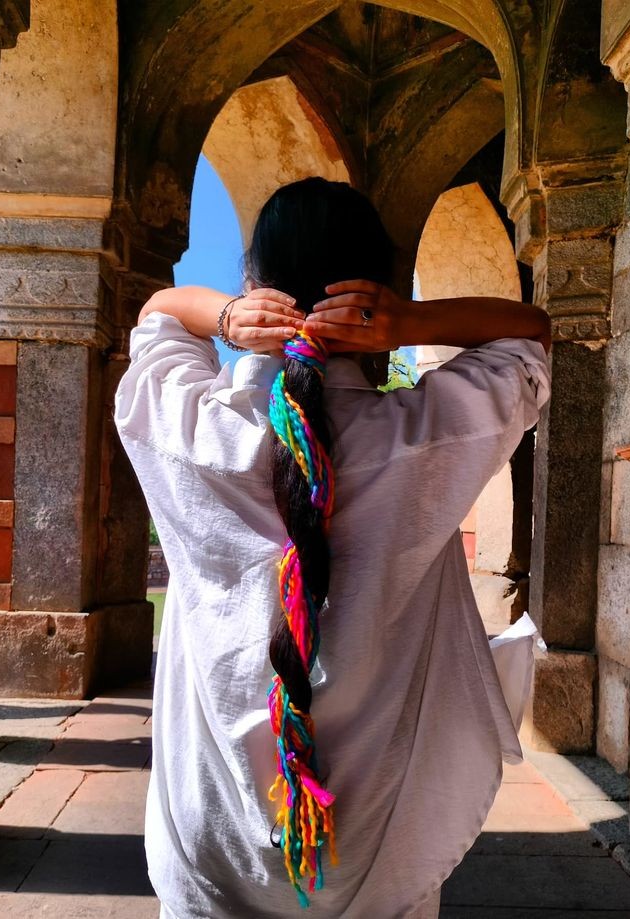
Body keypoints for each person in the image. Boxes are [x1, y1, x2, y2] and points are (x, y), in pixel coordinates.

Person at [113, 177, 551, 919]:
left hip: (210, 842)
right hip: (380, 847)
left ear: (253, 284)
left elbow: (156, 315)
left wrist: (221, 314)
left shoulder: (188, 430)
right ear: (374, 298)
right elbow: (531, 331)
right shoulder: (426, 437)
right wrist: (409, 323)